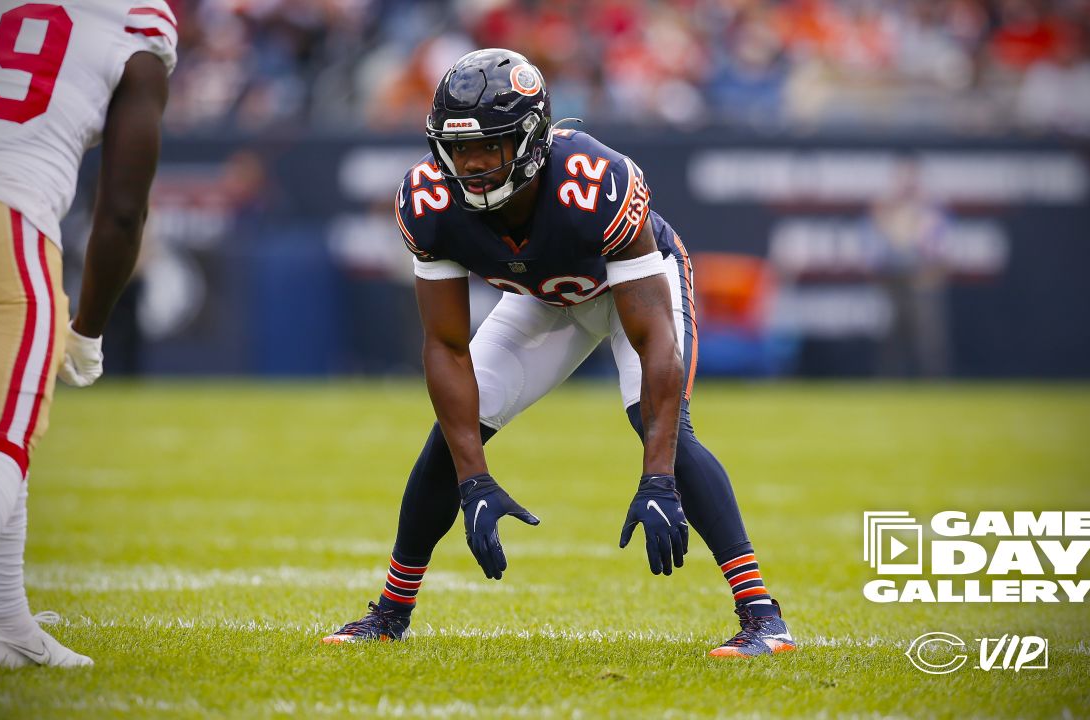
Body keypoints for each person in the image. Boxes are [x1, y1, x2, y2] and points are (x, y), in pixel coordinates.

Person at [323, 49, 796, 658]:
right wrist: (475, 483)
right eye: (458, 148)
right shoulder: (429, 200)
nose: (470, 165)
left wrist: (656, 478)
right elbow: (445, 345)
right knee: (454, 432)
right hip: (540, 299)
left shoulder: (594, 180)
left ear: (531, 140)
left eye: (489, 147)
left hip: (627, 292)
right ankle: (390, 613)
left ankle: (763, 616)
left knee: (663, 427)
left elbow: (653, 332)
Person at [0, 0, 176, 679]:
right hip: (1, 218)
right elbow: (124, 208)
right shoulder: (133, 17)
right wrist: (91, 330)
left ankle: (8, 624)